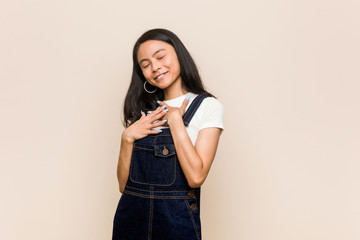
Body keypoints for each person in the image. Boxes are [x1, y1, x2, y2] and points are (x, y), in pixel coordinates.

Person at [112, 28, 224, 240]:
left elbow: (196, 177)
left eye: (160, 56)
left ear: (178, 54)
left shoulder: (207, 106)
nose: (155, 67)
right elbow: (124, 187)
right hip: (131, 223)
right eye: (145, 65)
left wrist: (175, 122)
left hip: (176, 226)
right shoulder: (144, 111)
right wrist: (126, 138)